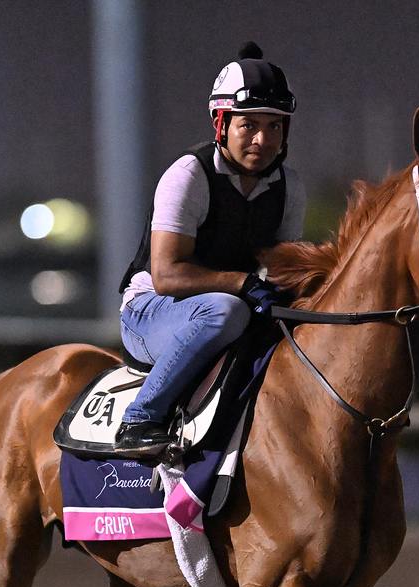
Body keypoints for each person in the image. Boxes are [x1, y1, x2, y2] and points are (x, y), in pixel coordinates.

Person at [113, 42, 306, 458]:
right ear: (221, 124)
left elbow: (285, 267)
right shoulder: (188, 175)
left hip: (226, 311)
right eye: (248, 125)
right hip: (151, 309)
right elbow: (166, 276)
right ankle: (141, 418)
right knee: (226, 309)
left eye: (275, 127)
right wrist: (243, 283)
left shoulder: (290, 186)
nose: (263, 139)